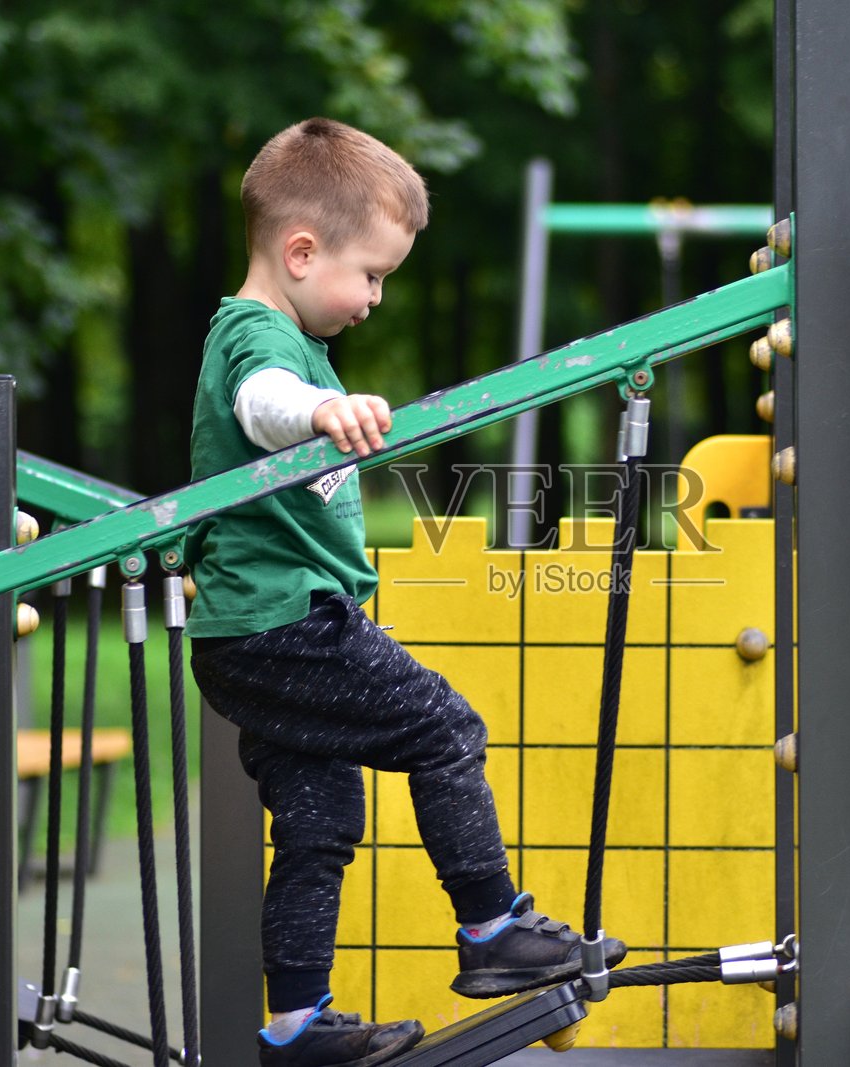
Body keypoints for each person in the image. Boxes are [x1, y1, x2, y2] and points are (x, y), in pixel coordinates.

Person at [185, 118, 626, 1067]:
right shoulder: (258, 335)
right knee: (446, 728)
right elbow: (262, 403)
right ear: (301, 251)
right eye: (372, 274)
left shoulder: (292, 335)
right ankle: (489, 928)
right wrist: (317, 409)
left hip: (252, 634)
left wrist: (322, 396)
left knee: (317, 827)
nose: (377, 297)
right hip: (285, 624)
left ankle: (297, 1023)